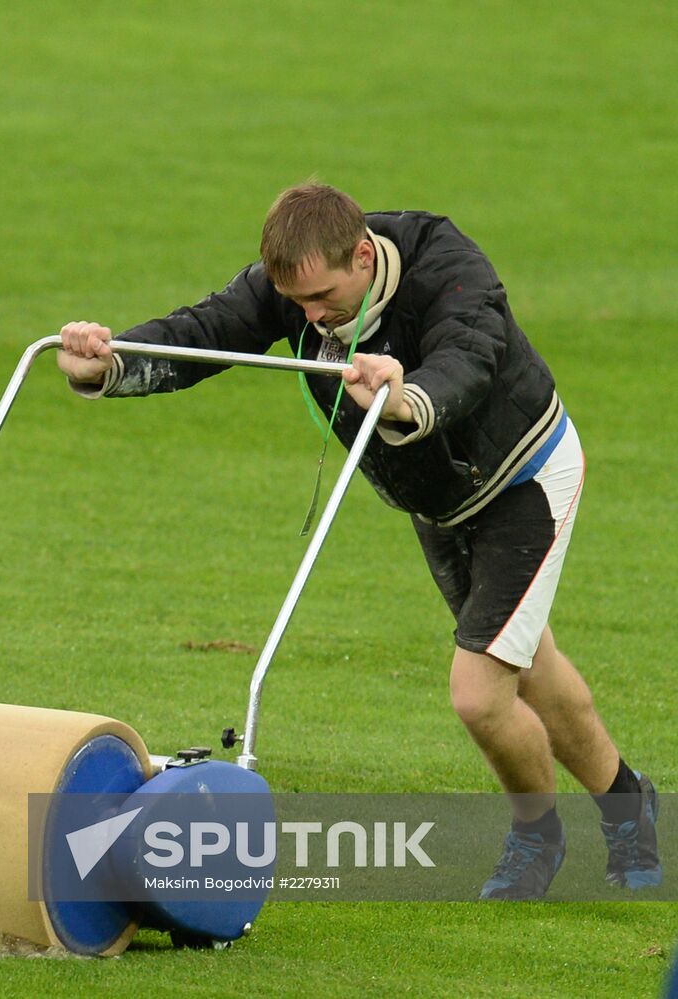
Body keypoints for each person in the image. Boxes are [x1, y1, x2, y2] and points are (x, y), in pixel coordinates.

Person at [58, 182, 660, 900]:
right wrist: (112, 361)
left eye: (323, 300)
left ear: (365, 257)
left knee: (479, 691)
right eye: (297, 304)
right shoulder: (297, 286)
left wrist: (408, 395)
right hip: (436, 501)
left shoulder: (448, 265)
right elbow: (207, 331)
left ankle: (537, 833)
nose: (309, 318)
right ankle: (630, 804)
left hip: (523, 479)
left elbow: (470, 354)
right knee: (529, 664)